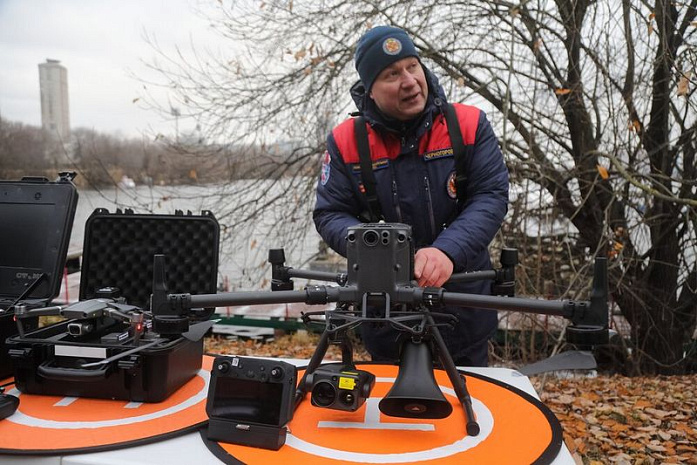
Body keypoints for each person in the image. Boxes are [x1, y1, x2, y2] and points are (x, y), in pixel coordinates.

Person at [313, 26, 509, 367]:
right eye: (391, 74)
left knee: (470, 412)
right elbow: (330, 213)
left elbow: (490, 195)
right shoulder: (345, 141)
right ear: (370, 90)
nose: (409, 81)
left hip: (464, 307)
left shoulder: (469, 124)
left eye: (412, 66)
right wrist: (384, 252)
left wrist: (447, 250)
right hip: (385, 316)